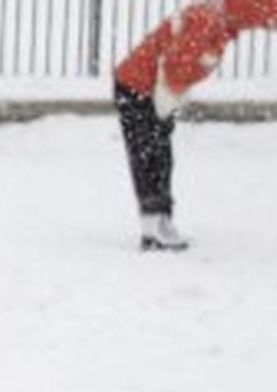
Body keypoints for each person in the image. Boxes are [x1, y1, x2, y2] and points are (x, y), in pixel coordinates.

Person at [114, 0, 277, 250]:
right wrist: (170, 95)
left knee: (157, 153)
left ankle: (160, 220)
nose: (267, 27)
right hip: (137, 87)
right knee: (150, 153)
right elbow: (176, 66)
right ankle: (154, 225)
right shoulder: (207, 21)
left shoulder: (219, 22)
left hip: (150, 90)